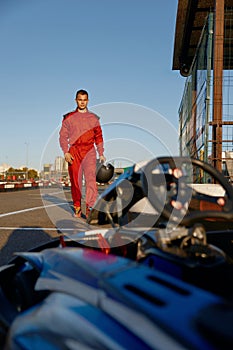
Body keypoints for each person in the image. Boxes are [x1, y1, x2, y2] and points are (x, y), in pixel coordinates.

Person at [59, 89, 106, 218]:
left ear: (88, 101)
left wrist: (101, 153)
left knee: (91, 180)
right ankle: (77, 206)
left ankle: (90, 208)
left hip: (89, 151)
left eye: (84, 100)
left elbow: (99, 136)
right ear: (76, 100)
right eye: (80, 100)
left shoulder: (93, 118)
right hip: (74, 151)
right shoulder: (68, 117)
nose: (82, 102)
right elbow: (63, 136)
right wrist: (66, 152)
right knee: (76, 181)